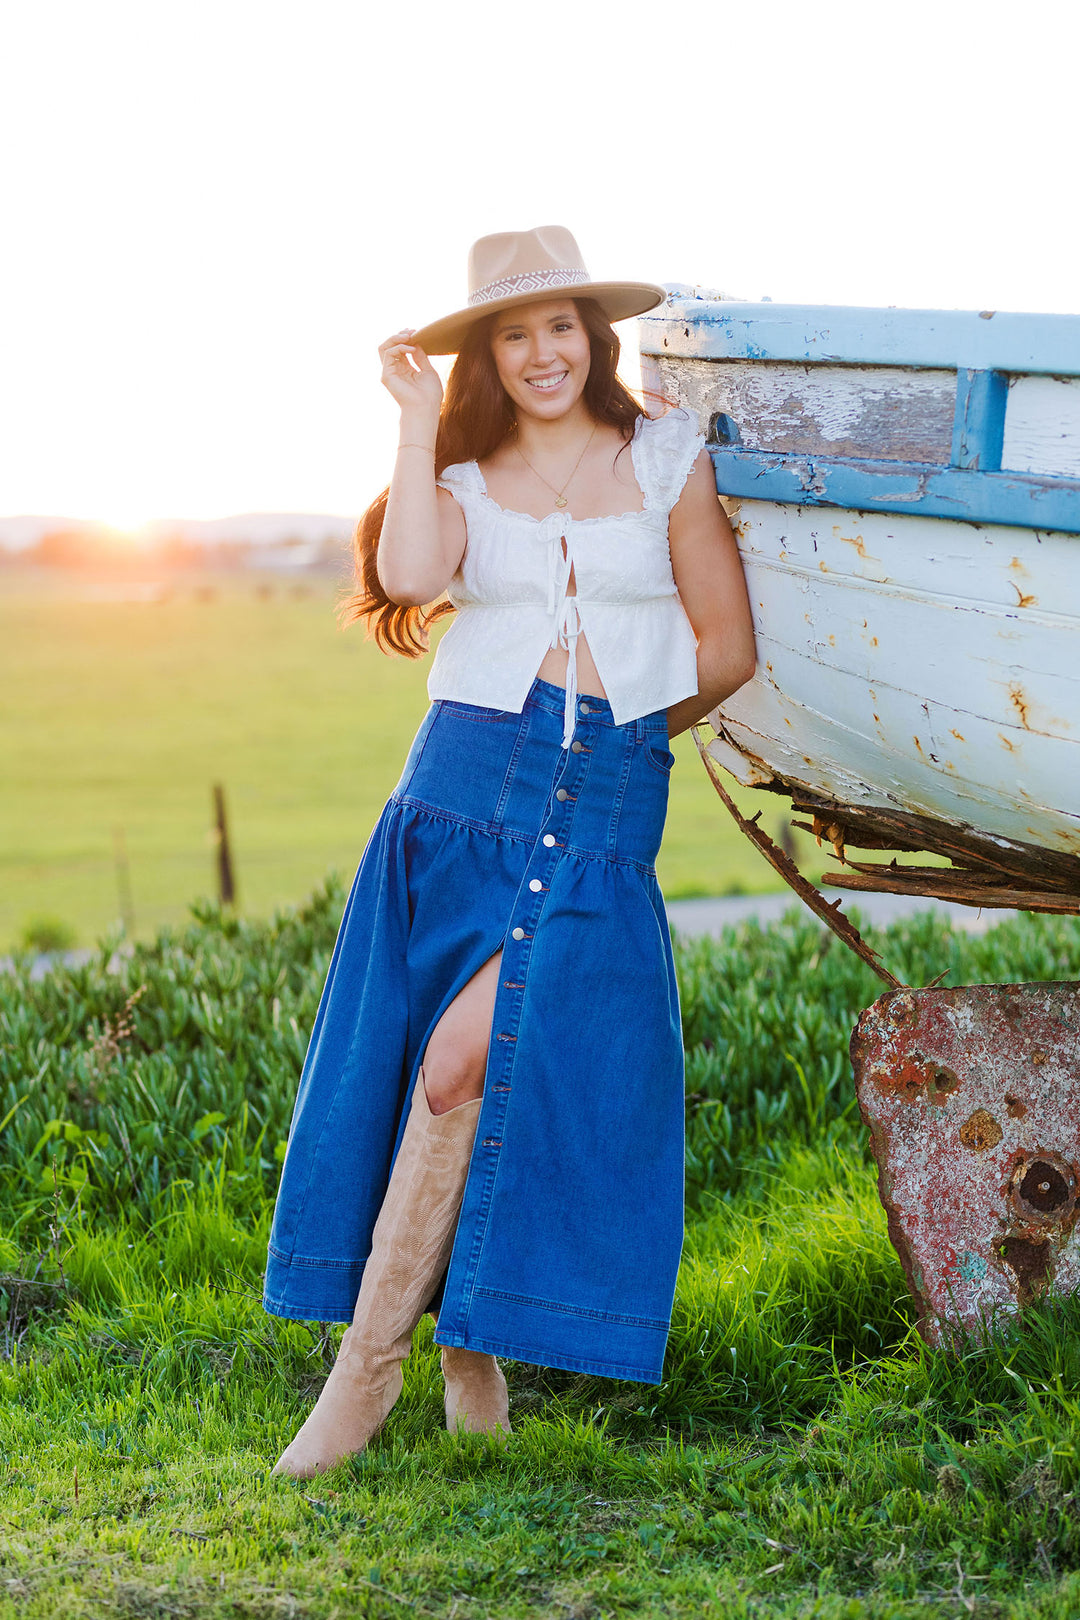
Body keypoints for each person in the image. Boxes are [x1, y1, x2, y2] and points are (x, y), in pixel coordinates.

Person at [265, 225, 756, 1479]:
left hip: (601, 808)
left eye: (561, 326)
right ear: (489, 353)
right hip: (460, 791)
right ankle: (419, 1356)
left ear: (595, 337)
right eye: (514, 333)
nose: (543, 353)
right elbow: (410, 571)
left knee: (474, 1058)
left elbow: (726, 646)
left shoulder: (664, 459)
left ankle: (383, 1367)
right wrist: (413, 422)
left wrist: (617, 742)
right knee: (441, 1073)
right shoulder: (463, 475)